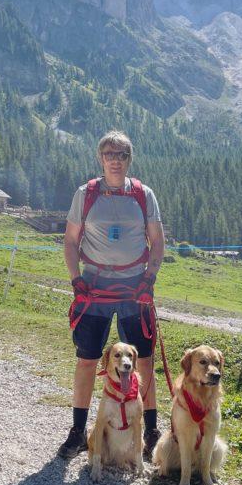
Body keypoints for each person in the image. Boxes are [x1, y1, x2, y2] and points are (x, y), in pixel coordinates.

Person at [58, 130, 165, 461]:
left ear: (129, 159)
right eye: (109, 154)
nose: (115, 159)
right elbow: (71, 241)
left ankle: (150, 432)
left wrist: (149, 278)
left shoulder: (144, 195)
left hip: (135, 287)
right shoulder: (85, 194)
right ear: (100, 158)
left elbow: (158, 241)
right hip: (94, 287)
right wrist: (76, 279)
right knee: (87, 359)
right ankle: (78, 432)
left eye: (121, 154)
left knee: (144, 361)